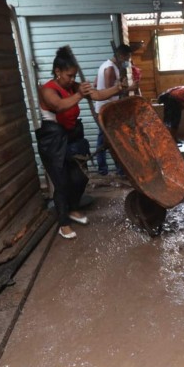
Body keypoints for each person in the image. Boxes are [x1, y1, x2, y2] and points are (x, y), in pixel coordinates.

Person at [37, 46, 124, 239]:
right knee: (61, 183)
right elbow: (59, 106)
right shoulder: (48, 90)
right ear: (58, 72)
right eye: (69, 75)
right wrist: (79, 94)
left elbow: (98, 95)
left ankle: (72, 208)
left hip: (69, 138)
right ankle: (63, 223)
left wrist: (118, 88)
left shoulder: (72, 86)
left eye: (74, 75)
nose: (72, 79)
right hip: (52, 141)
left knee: (80, 178)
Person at [94, 44, 138, 175]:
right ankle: (111, 170)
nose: (127, 61)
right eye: (126, 58)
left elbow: (96, 84)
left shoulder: (105, 66)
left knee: (105, 140)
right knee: (111, 141)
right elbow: (109, 91)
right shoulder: (110, 69)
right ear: (120, 55)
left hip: (105, 109)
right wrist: (129, 89)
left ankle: (106, 170)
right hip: (107, 110)